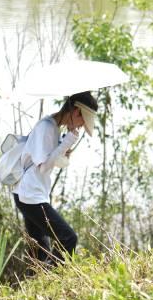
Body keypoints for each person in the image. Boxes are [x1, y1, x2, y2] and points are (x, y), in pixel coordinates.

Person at [14, 91, 99, 267]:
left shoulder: (53, 128)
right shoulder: (46, 127)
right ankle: (54, 280)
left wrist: (63, 146)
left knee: (40, 252)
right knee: (68, 238)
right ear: (76, 112)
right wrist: (67, 142)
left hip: (30, 193)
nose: (82, 126)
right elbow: (44, 166)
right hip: (31, 195)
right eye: (83, 121)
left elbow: (50, 160)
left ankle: (40, 286)